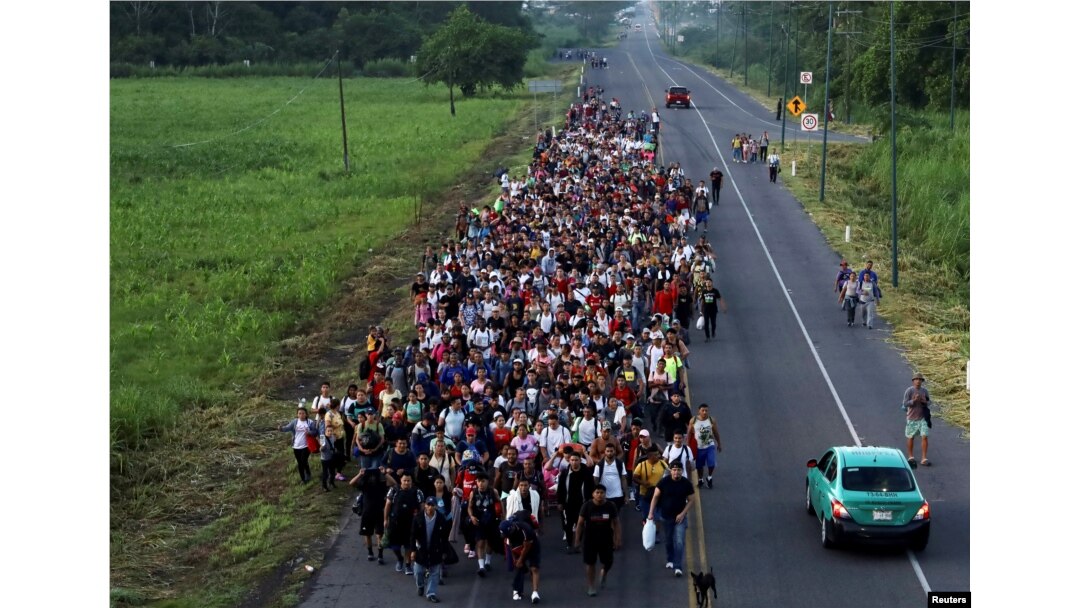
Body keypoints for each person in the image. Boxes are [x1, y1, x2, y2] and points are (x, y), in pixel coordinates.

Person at [648, 461, 695, 578]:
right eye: (674, 470)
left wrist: (683, 513)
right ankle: (670, 558)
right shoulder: (664, 482)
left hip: (680, 518)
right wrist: (650, 513)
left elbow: (691, 500)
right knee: (669, 540)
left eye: (679, 470)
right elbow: (655, 497)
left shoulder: (686, 484)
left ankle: (678, 566)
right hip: (666, 516)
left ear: (682, 471)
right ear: (670, 471)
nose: (676, 472)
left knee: (679, 541)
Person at [574, 484, 621, 597]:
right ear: (593, 494)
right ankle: (591, 586)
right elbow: (580, 524)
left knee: (608, 561)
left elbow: (616, 523)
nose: (599, 495)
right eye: (597, 493)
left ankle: (604, 572)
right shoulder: (587, 506)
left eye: (602, 493)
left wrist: (617, 539)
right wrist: (577, 540)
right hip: (590, 539)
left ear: (605, 494)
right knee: (590, 563)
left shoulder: (610, 506)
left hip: (606, 538)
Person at [412, 496, 451, 603]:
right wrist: (413, 550)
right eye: (428, 505)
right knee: (419, 571)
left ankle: (431, 593)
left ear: (436, 506)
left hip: (436, 549)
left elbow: (444, 537)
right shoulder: (418, 518)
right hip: (421, 549)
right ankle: (420, 585)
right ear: (425, 505)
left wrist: (444, 551)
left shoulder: (441, 519)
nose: (430, 507)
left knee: (434, 572)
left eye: (432, 505)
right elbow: (413, 535)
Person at [384, 472, 424, 573]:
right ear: (400, 481)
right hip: (395, 523)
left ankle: (407, 565)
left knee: (408, 545)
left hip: (411, 524)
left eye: (408, 481)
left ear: (411, 481)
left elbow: (422, 507)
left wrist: (420, 521)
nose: (406, 483)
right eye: (404, 481)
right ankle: (399, 559)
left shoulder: (417, 492)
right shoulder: (393, 490)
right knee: (394, 546)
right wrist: (385, 519)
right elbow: (388, 505)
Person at [556, 452, 595, 552]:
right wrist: (560, 502)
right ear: (569, 461)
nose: (574, 462)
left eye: (576, 460)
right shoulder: (565, 473)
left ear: (580, 460)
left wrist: (591, 502)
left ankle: (578, 542)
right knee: (568, 525)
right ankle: (569, 544)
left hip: (582, 503)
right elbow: (560, 488)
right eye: (572, 460)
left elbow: (592, 488)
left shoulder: (586, 473)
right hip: (568, 503)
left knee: (580, 524)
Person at [500, 511, 542, 603]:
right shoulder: (508, 534)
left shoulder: (525, 529)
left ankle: (535, 593)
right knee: (518, 567)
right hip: (519, 544)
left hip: (532, 544)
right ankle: (517, 590)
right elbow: (510, 545)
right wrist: (516, 560)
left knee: (534, 568)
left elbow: (527, 546)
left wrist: (521, 559)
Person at [348, 468, 387, 563]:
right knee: (367, 534)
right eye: (370, 476)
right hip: (367, 513)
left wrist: (385, 473)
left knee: (379, 534)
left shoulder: (381, 485)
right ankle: (370, 553)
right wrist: (359, 474)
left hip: (379, 512)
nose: (372, 478)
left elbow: (393, 483)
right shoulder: (364, 486)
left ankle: (380, 554)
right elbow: (351, 483)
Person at [467, 474, 502, 576]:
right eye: (479, 481)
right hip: (479, 521)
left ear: (487, 482)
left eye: (483, 481)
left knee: (490, 542)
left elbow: (500, 504)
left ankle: (487, 562)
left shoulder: (493, 492)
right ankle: (481, 567)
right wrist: (471, 516)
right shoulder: (473, 493)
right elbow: (469, 507)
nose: (481, 484)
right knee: (481, 542)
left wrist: (503, 518)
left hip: (491, 521)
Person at [632, 445, 669, 523]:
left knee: (657, 517)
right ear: (649, 456)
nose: (658, 456)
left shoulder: (662, 463)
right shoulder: (641, 465)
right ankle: (647, 531)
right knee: (646, 517)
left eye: (658, 454)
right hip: (645, 495)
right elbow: (634, 477)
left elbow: (668, 473)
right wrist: (643, 483)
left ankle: (656, 533)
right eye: (655, 455)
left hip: (659, 494)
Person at [279, 407, 316, 484]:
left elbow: (315, 432)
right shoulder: (295, 422)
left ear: (306, 414)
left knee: (303, 460)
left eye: (303, 413)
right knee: (300, 463)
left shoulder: (310, 422)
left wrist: (309, 432)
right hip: (296, 446)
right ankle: (303, 478)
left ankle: (307, 475)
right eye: (300, 413)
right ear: (297, 415)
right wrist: (281, 428)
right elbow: (287, 428)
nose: (301, 415)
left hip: (306, 446)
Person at [903, 374, 932, 466]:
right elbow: (904, 403)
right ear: (913, 381)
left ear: (922, 381)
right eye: (916, 379)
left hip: (923, 417)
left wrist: (925, 402)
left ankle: (924, 458)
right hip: (912, 418)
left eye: (920, 379)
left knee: (924, 436)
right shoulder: (909, 391)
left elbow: (929, 402)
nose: (918, 381)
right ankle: (911, 457)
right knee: (911, 437)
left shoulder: (924, 391)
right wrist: (913, 401)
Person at [691, 404, 722, 489]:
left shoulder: (711, 420)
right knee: (699, 466)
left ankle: (709, 477)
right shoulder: (693, 420)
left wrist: (719, 443)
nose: (705, 412)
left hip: (709, 445)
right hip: (699, 447)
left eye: (706, 410)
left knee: (711, 463)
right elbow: (689, 433)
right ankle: (700, 479)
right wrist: (688, 446)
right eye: (703, 410)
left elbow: (716, 432)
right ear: (699, 411)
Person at [593, 443, 629, 510]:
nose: (609, 453)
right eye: (608, 451)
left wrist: (626, 496)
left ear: (614, 451)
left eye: (611, 451)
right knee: (605, 517)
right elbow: (595, 480)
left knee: (615, 517)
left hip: (618, 496)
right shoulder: (599, 465)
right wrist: (596, 495)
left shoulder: (620, 464)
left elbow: (623, 479)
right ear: (605, 452)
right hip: (604, 497)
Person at [697, 277, 726, 342]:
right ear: (705, 283)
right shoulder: (704, 291)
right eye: (707, 282)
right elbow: (702, 301)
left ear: (712, 283)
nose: (708, 283)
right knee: (706, 323)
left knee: (713, 323)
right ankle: (707, 337)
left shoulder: (715, 291)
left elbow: (720, 299)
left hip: (713, 310)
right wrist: (701, 310)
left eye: (709, 282)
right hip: (706, 310)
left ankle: (713, 331)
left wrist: (723, 307)